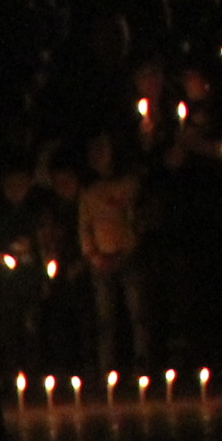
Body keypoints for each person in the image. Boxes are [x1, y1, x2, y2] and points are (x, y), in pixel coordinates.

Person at [79, 132, 153, 369]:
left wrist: (127, 250)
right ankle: (107, 369)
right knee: (105, 321)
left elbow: (134, 222)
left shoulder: (130, 185)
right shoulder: (89, 193)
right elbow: (85, 227)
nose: (99, 157)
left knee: (139, 316)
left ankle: (143, 366)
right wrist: (94, 255)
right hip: (101, 260)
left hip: (128, 256)